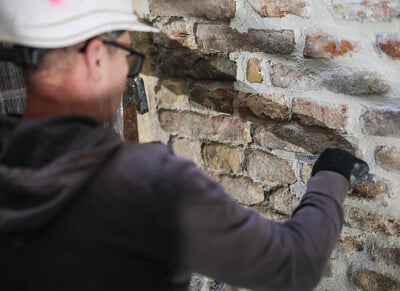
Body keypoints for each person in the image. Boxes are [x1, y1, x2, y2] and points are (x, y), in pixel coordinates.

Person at [0, 1, 370, 290]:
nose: (126, 72)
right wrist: (331, 175)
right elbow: (295, 265)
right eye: (128, 58)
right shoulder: (147, 183)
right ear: (97, 55)